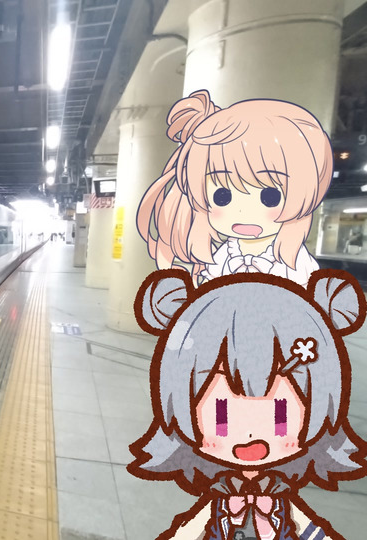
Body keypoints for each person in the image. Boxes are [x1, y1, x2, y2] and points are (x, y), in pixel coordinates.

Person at [130, 269, 367, 540]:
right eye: (221, 417)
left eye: (280, 417)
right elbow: (188, 531)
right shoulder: (223, 493)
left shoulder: (276, 494)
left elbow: (310, 531)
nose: (251, 437)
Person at [136, 90, 333, 287]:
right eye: (222, 196)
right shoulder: (224, 254)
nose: (243, 212)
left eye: (270, 197)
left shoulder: (295, 263)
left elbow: (305, 303)